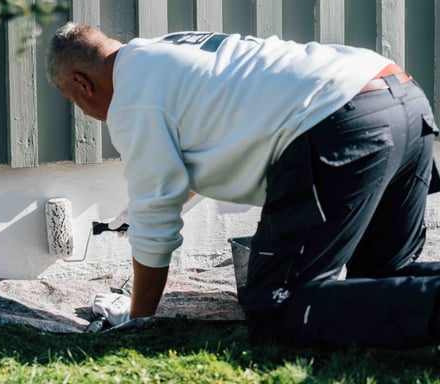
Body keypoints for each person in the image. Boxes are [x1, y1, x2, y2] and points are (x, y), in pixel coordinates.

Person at [46, 22, 440, 348]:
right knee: (381, 278)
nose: (84, 111)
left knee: (277, 311)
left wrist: (138, 320)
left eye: (73, 100)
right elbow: (203, 149)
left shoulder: (132, 100)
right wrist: (153, 202)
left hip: (341, 123)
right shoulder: (164, 53)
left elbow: (155, 228)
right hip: (400, 95)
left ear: (82, 84)